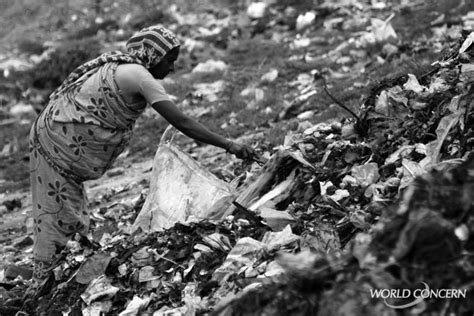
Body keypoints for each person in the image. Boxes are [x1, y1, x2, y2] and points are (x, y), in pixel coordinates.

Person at [29, 25, 258, 284]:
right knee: (56, 211)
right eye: (169, 60)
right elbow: (181, 121)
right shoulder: (139, 76)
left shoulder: (125, 68)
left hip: (54, 135)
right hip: (55, 140)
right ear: (153, 56)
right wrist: (231, 145)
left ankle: (62, 268)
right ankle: (46, 278)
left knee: (68, 208)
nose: (172, 68)